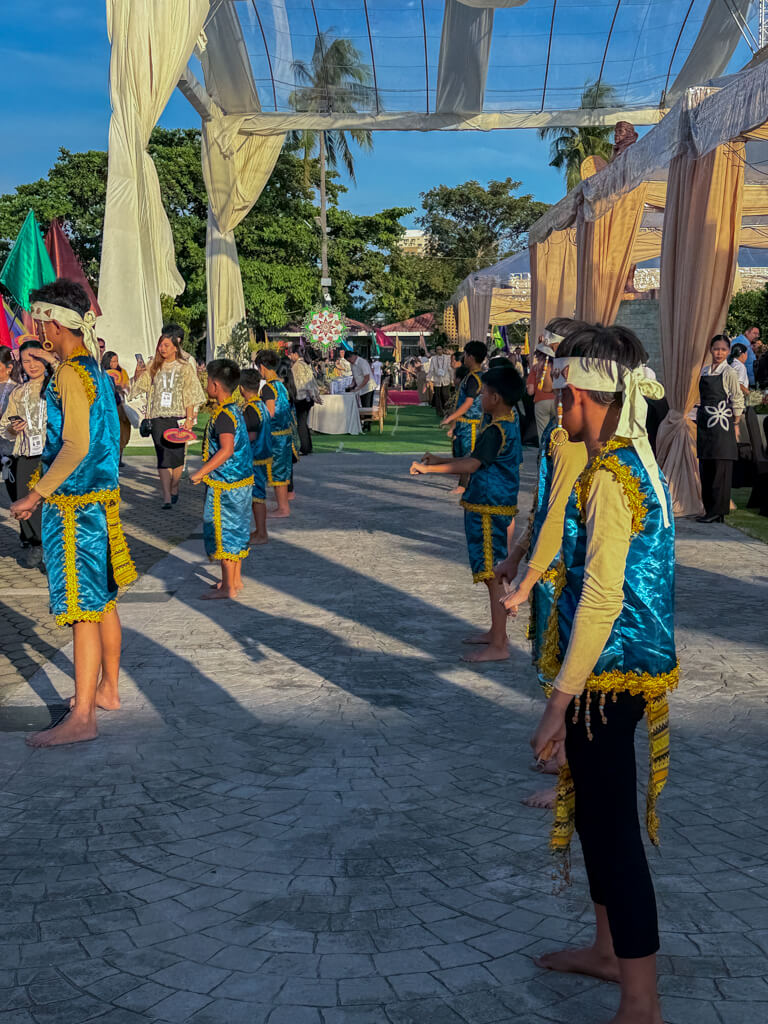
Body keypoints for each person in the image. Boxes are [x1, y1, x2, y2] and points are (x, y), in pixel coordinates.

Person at [529, 323, 675, 1024]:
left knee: (612, 829)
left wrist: (558, 704)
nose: (559, 411)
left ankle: (640, 999)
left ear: (590, 396)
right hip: (610, 673)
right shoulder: (621, 458)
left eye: (565, 398)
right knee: (594, 816)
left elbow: (602, 595)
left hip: (609, 679)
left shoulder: (614, 476)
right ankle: (607, 949)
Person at [10, 279, 137, 747]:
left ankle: (83, 717)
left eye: (38, 320)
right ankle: (108, 690)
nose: (35, 328)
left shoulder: (68, 376)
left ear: (50, 323)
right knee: (103, 601)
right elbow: (109, 438)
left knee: (83, 609)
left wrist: (36, 494)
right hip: (99, 501)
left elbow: (75, 444)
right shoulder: (97, 372)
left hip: (75, 507)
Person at [410, 365, 523, 663]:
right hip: (491, 503)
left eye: (484, 392)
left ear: (495, 397)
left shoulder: (497, 428)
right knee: (491, 574)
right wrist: (440, 458)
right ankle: (496, 633)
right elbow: (476, 459)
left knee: (493, 575)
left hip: (488, 506)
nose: (481, 396)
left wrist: (429, 469)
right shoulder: (504, 422)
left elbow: (472, 466)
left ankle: (499, 644)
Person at [189, 359, 253, 599]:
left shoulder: (224, 415)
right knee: (236, 530)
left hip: (226, 484)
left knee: (224, 532)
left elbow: (225, 450)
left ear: (215, 385)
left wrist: (200, 472)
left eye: (207, 381)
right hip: (240, 482)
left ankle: (228, 587)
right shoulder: (234, 409)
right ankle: (234, 580)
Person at [129, 324, 205, 509]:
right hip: (157, 416)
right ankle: (166, 497)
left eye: (166, 345)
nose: (162, 349)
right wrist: (137, 377)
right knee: (163, 455)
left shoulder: (184, 366)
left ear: (174, 347)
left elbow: (190, 393)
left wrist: (189, 418)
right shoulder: (153, 366)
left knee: (177, 456)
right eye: (160, 345)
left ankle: (174, 485)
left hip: (177, 416)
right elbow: (141, 386)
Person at [0, 338, 53, 567]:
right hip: (24, 453)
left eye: (35, 359)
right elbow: (4, 426)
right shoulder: (18, 393)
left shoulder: (55, 388)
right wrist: (12, 428)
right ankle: (35, 543)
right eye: (25, 361)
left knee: (50, 500)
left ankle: (54, 546)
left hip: (51, 454)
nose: (31, 365)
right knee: (25, 499)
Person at [697, 334, 744, 523]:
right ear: (710, 349)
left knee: (720, 468)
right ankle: (709, 509)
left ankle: (718, 511)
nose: (719, 353)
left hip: (723, 424)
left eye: (723, 349)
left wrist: (736, 423)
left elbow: (737, 398)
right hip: (705, 424)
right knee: (706, 466)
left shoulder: (729, 372)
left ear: (728, 351)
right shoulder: (706, 371)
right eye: (716, 348)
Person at [256, 349, 296, 518]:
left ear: (262, 367)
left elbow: (270, 413)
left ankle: (283, 508)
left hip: (275, 436)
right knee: (282, 471)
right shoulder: (281, 385)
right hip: (285, 435)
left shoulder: (268, 388)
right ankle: (283, 504)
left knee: (278, 473)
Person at [239, 368, 272, 546]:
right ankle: (259, 530)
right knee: (256, 496)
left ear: (242, 388)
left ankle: (262, 532)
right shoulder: (260, 405)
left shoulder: (251, 409)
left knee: (257, 497)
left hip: (254, 457)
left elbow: (250, 435)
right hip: (262, 455)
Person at [440, 340, 487, 457]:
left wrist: (450, 418)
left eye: (465, 355)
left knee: (467, 459)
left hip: (470, 427)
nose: (463, 358)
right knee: (460, 459)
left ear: (471, 357)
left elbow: (468, 403)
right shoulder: (470, 376)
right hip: (463, 425)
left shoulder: (474, 378)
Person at [286, 342, 321, 455]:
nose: (289, 356)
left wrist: (312, 394)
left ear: (296, 354)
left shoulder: (297, 366)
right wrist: (315, 395)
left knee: (301, 424)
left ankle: (305, 447)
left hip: (301, 397)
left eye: (290, 354)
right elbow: (312, 382)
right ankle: (307, 446)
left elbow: (304, 383)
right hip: (308, 398)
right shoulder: (306, 364)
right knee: (303, 423)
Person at [101, 350, 131, 464]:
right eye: (113, 361)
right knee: (109, 432)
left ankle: (119, 457)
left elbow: (128, 387)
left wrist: (122, 388)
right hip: (107, 406)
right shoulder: (102, 372)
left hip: (120, 405)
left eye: (116, 361)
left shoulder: (122, 372)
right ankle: (108, 458)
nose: (115, 363)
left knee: (122, 432)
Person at [347, 351, 376, 431]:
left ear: (353, 356)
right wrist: (352, 385)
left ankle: (367, 424)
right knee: (363, 404)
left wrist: (358, 387)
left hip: (368, 386)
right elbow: (355, 376)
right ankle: (366, 423)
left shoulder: (362, 362)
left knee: (366, 405)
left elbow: (367, 377)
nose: (350, 362)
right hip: (361, 387)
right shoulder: (352, 364)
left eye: (350, 360)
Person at [427, 345, 452, 418]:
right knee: (437, 396)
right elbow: (431, 369)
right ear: (436, 351)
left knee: (445, 395)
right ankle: (439, 412)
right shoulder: (433, 359)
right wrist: (428, 378)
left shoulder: (447, 358)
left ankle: (447, 411)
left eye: (440, 349)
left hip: (445, 379)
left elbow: (450, 368)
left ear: (442, 350)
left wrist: (452, 379)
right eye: (437, 349)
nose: (439, 351)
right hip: (437, 380)